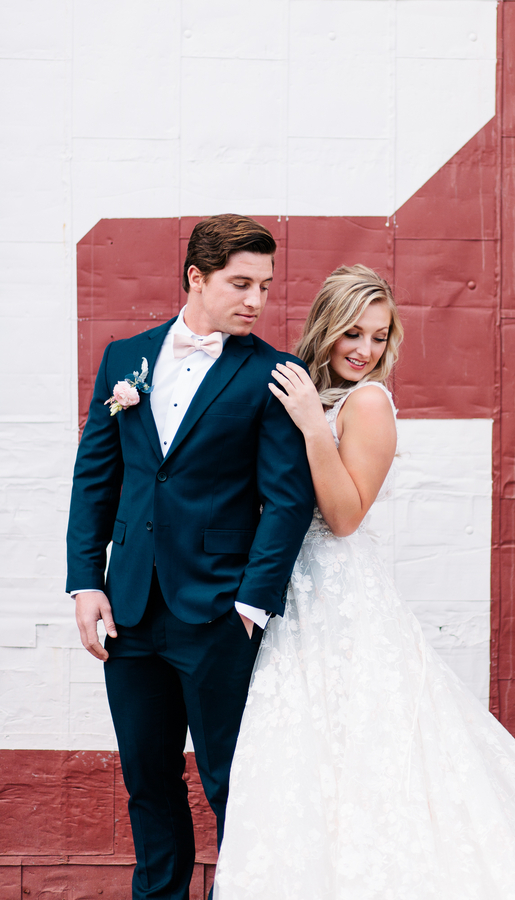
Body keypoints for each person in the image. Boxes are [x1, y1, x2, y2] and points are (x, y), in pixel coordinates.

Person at [214, 264, 515, 900]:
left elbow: (345, 516)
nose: (365, 350)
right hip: (288, 594)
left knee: (366, 750)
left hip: (340, 599)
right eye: (353, 333)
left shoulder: (366, 403)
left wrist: (311, 426)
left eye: (379, 336)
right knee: (302, 752)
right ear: (327, 327)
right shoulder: (305, 388)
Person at [66, 214, 314, 900]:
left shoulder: (273, 373)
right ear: (196, 278)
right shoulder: (125, 359)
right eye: (241, 283)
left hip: (219, 613)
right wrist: (86, 580)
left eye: (265, 286)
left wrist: (250, 606)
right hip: (130, 608)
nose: (257, 300)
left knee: (231, 781)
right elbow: (96, 478)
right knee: (147, 779)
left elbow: (287, 501)